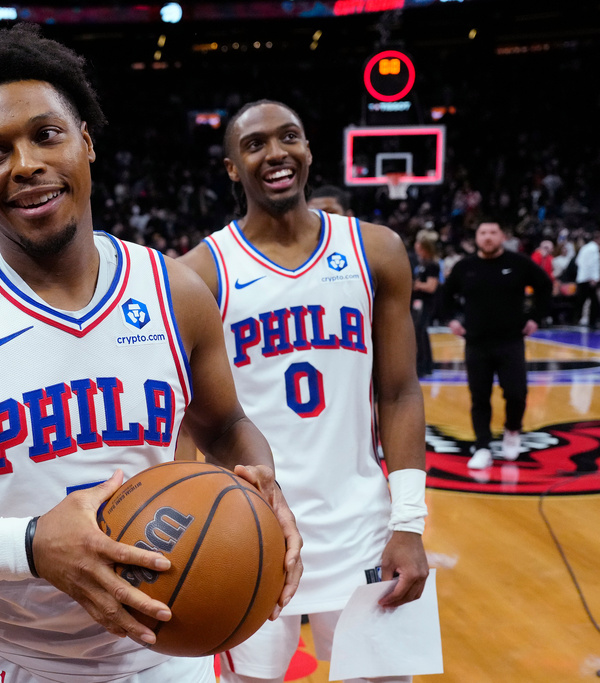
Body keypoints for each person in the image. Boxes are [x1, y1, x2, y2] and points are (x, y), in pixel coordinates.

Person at [0, 25, 302, 683]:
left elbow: (225, 425)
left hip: (165, 650)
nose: (24, 164)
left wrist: (263, 483)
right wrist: (27, 546)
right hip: (10, 656)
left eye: (45, 134)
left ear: (85, 140)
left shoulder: (175, 292)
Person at [179, 100, 429, 683]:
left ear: (310, 149)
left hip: (364, 528)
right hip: (252, 533)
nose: (275, 153)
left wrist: (410, 523)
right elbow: (192, 423)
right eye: (255, 144)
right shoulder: (201, 272)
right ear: (232, 169)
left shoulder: (376, 251)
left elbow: (398, 393)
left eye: (288, 136)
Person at [440, 220, 552, 470]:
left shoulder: (518, 263)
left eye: (493, 232)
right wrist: (451, 320)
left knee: (516, 393)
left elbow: (545, 286)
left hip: (510, 341)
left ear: (502, 236)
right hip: (476, 343)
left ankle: (512, 430)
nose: (488, 237)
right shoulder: (464, 267)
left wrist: (536, 317)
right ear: (476, 237)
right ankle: (482, 446)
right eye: (483, 233)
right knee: (479, 397)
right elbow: (445, 295)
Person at [412, 229, 441, 378]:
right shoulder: (421, 264)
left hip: (426, 303)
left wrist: (416, 285)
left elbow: (431, 287)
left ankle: (423, 366)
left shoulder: (432, 265)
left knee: (420, 331)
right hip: (419, 303)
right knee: (420, 333)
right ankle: (426, 365)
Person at [573, 231, 600, 328]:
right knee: (594, 302)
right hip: (588, 279)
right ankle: (592, 322)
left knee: (581, 300)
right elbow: (593, 265)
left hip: (581, 277)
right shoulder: (593, 249)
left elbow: (577, 261)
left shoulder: (585, 248)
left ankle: (575, 319)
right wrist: (594, 278)